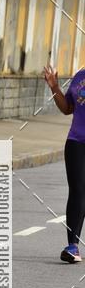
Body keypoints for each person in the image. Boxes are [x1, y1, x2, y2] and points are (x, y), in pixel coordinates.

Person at [44, 64, 85, 262]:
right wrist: (54, 88)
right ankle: (73, 246)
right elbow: (67, 108)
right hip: (76, 141)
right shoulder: (80, 76)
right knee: (77, 190)